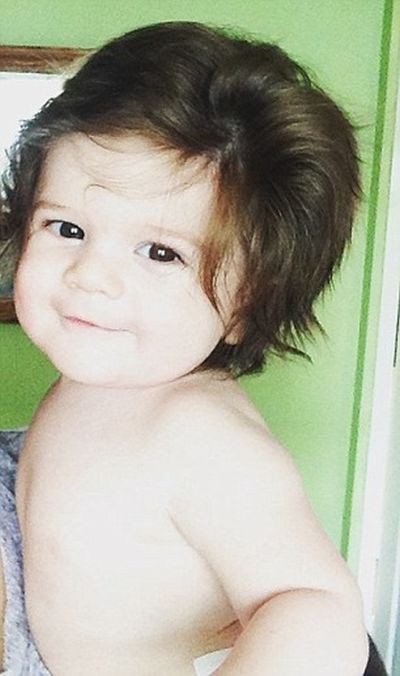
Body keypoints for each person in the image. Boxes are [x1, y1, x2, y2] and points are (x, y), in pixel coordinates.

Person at [1, 20, 369, 675]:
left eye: (160, 252)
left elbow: (314, 603)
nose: (91, 275)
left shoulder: (199, 434)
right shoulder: (107, 377)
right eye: (68, 228)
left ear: (248, 303)